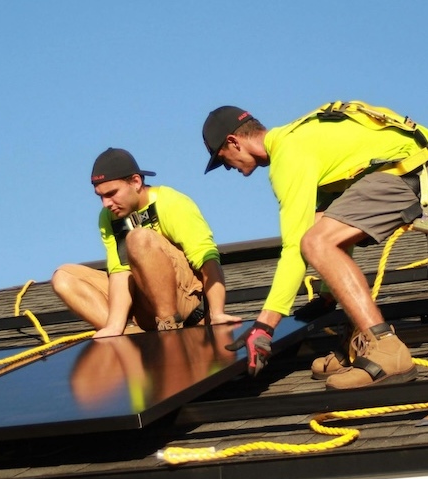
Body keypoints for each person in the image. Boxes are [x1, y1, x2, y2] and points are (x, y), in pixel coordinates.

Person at [201, 100, 427, 389]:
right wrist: (327, 295)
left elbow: (296, 246)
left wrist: (265, 325)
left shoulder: (288, 155)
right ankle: (358, 341)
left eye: (223, 160)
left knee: (315, 243)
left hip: (409, 170)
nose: (228, 169)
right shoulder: (300, 138)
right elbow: (330, 217)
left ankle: (386, 347)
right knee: (320, 228)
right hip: (408, 166)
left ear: (234, 142)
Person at [52, 147, 241, 338]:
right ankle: (128, 337)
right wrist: (114, 326)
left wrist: (217, 313)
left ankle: (169, 325)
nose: (106, 204)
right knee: (64, 277)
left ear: (135, 182)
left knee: (138, 238)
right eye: (101, 196)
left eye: (111, 194)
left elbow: (207, 258)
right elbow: (119, 272)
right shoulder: (108, 218)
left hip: (187, 305)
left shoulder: (169, 201)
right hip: (145, 309)